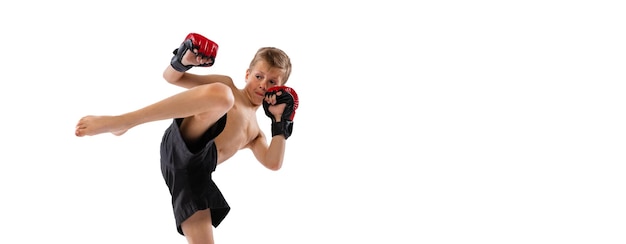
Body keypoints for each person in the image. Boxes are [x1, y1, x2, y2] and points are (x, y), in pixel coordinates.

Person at [75, 33, 299, 244]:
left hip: (194, 176)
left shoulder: (255, 133)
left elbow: (273, 162)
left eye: (272, 82)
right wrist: (184, 60)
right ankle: (124, 121)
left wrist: (281, 122)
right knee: (222, 95)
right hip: (184, 144)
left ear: (280, 89)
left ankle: (124, 123)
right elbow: (171, 78)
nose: (263, 84)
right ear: (247, 74)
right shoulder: (228, 86)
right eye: (259, 76)